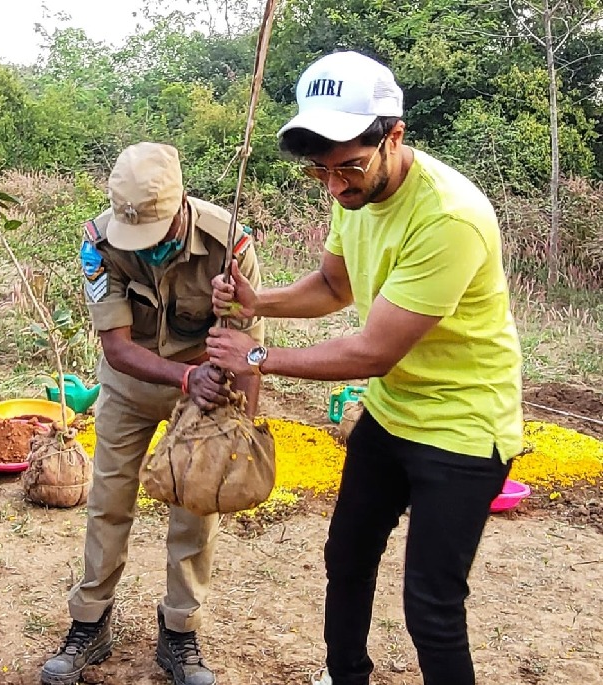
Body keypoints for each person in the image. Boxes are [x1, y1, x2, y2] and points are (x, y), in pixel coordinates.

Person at [205, 52, 522, 685]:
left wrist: (258, 355)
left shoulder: (448, 217)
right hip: (393, 412)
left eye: (348, 166)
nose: (334, 186)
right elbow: (333, 284)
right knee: (346, 558)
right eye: (319, 171)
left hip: (463, 425)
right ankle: (345, 676)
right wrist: (257, 300)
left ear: (394, 136)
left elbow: (374, 350)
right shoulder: (350, 191)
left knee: (432, 606)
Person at [40, 142, 265, 685]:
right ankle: (90, 622)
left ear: (182, 202)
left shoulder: (228, 242)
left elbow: (250, 345)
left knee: (197, 505)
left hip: (207, 392)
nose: (148, 245)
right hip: (131, 382)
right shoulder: (99, 244)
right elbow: (117, 347)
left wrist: (242, 426)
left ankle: (180, 630)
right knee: (110, 497)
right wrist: (185, 376)